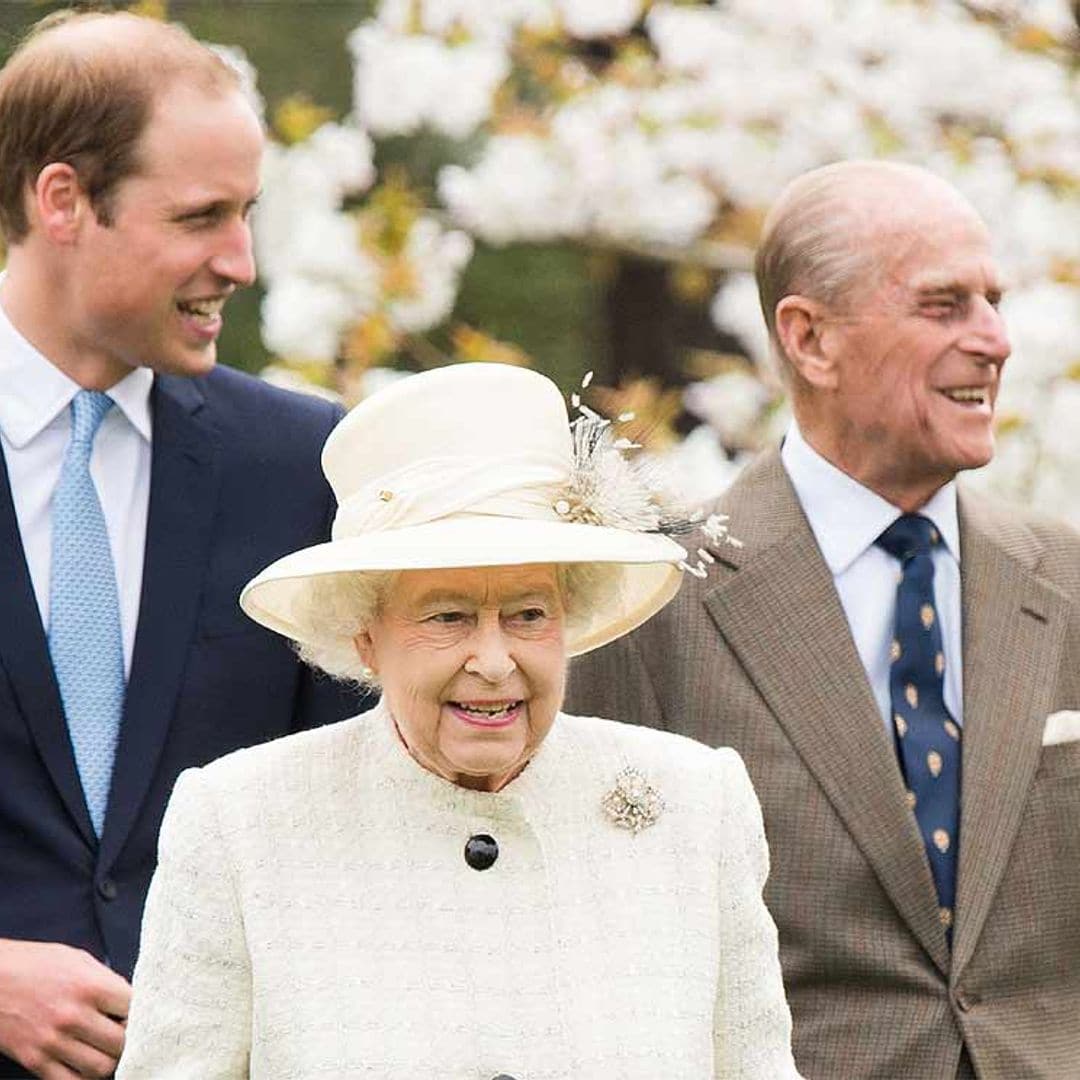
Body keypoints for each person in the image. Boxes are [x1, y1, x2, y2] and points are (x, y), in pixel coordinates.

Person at [116, 361, 802, 1078]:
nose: (496, 661)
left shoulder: (697, 802)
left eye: (528, 615)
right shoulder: (240, 820)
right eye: (448, 617)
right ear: (365, 636)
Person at [567, 159, 1080, 1078]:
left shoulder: (1070, 583)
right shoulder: (652, 599)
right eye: (945, 304)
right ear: (809, 339)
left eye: (995, 301)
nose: (996, 340)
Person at [0, 11, 364, 1078]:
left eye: (248, 214)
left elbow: (353, 811)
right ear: (61, 200)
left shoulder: (306, 465)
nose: (242, 262)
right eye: (202, 216)